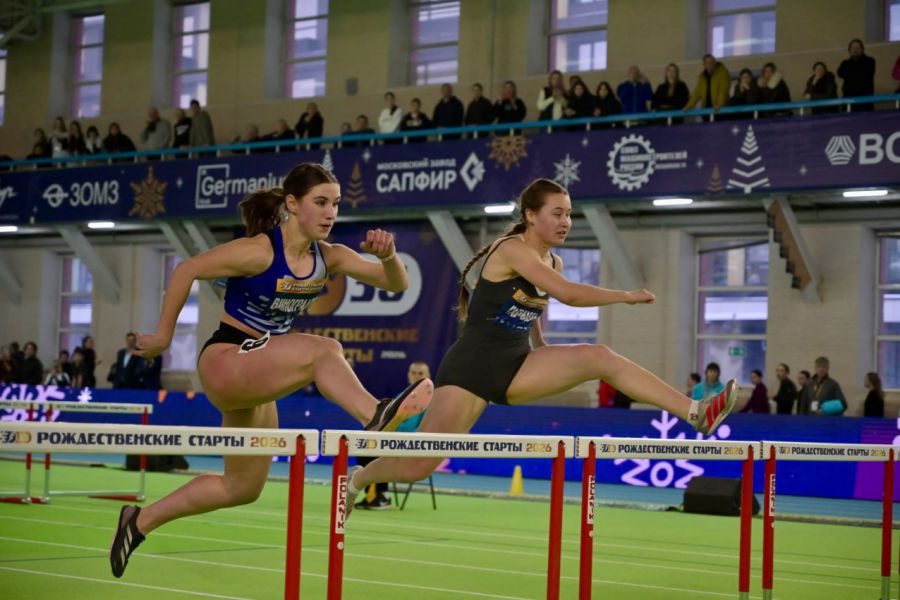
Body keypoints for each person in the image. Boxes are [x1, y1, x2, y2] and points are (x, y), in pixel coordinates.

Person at [108, 163, 433, 577]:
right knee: (325, 350)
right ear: (292, 204)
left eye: (336, 204)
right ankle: (376, 416)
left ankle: (139, 521)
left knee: (242, 487)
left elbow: (396, 284)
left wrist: (388, 257)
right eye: (321, 202)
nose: (330, 213)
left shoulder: (330, 256)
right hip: (227, 360)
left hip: (258, 370)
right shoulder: (260, 251)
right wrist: (163, 336)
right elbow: (187, 269)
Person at [344, 179, 737, 513]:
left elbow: (532, 303)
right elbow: (569, 295)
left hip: (517, 363)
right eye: (557, 213)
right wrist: (625, 296)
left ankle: (696, 412)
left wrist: (541, 345)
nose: (566, 221)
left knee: (600, 356)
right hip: (470, 369)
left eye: (569, 214)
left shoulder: (554, 262)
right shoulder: (511, 249)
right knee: (417, 467)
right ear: (531, 215)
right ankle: (359, 477)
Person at [356, 360, 433, 511]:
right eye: (414, 373)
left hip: (411, 444)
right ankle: (372, 495)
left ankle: (382, 496)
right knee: (364, 447)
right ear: (408, 375)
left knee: (377, 453)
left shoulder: (431, 402)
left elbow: (425, 429)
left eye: (421, 373)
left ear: (428, 376)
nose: (416, 376)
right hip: (391, 440)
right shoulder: (401, 397)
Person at [837, 38, 876, 111]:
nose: (855, 50)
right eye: (853, 48)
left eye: (857, 47)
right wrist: (857, 73)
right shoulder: (845, 63)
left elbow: (866, 75)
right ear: (849, 50)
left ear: (862, 49)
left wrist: (850, 75)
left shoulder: (870, 61)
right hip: (848, 99)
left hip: (865, 100)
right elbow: (840, 73)